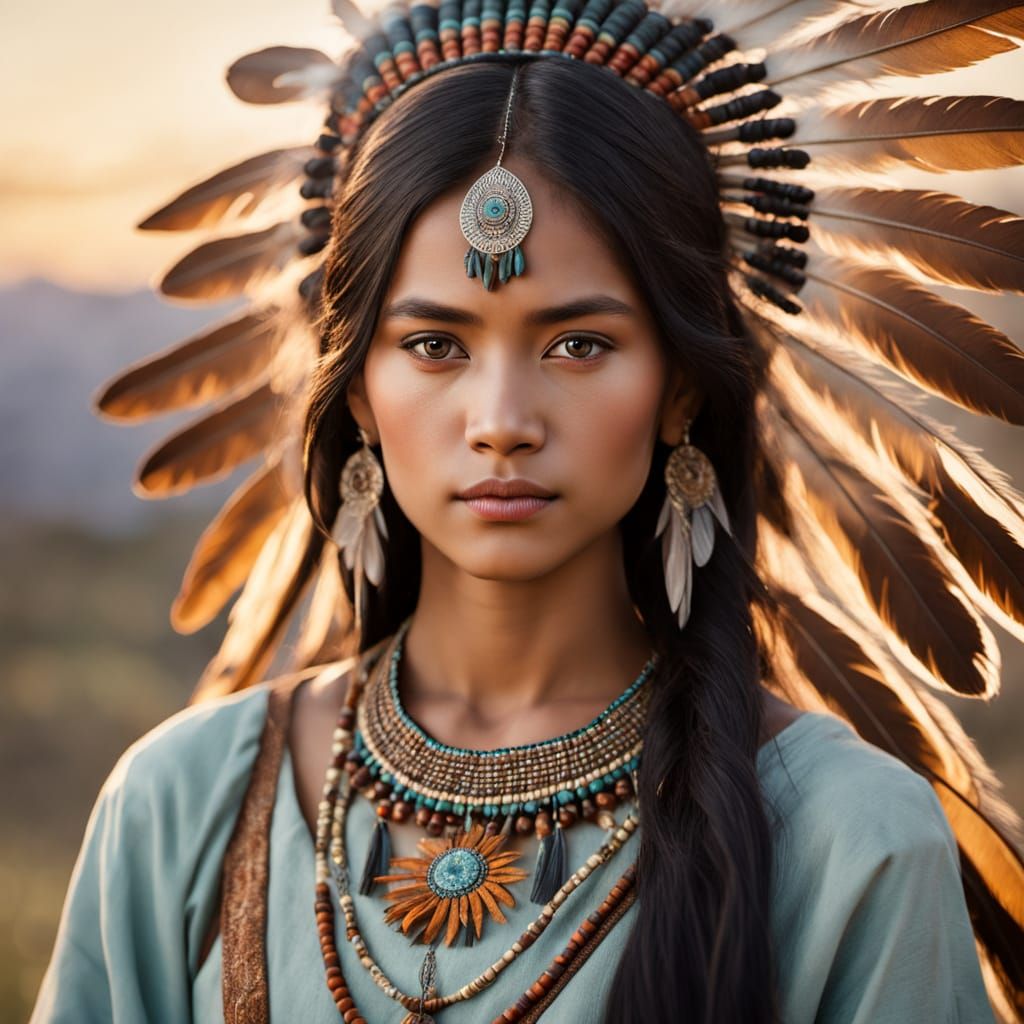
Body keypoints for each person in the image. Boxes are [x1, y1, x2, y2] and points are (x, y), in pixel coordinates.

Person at [31, 2, 1024, 1021]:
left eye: (577, 344)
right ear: (361, 393)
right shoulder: (178, 807)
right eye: (434, 345)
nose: (501, 421)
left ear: (681, 386)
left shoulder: (848, 840)